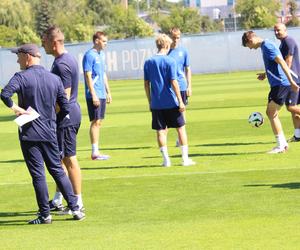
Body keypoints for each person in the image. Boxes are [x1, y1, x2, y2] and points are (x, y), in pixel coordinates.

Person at [0, 44, 85, 224]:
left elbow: (5, 94)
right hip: (49, 132)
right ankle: (76, 209)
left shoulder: (21, 77)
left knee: (38, 174)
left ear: (28, 56)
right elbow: (66, 105)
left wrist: (17, 109)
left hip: (29, 134)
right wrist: (54, 120)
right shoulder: (54, 79)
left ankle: (45, 215)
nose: (17, 60)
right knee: (57, 171)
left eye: (19, 56)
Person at [42, 26, 84, 213]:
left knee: (69, 159)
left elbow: (63, 98)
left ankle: (77, 201)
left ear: (54, 42)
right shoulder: (65, 59)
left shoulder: (61, 64)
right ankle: (59, 198)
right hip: (68, 115)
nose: (42, 45)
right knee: (60, 160)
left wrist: (45, 113)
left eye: (44, 41)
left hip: (66, 117)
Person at [242, 31, 300, 153]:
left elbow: (282, 62)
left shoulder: (267, 46)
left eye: (249, 47)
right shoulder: (266, 45)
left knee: (271, 112)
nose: (251, 49)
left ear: (250, 41)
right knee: (271, 113)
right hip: (277, 84)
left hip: (280, 84)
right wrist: (266, 74)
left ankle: (281, 146)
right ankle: (282, 144)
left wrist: (291, 81)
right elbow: (273, 64)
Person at [143, 34, 195, 167]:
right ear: (166, 45)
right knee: (181, 129)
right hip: (171, 102)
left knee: (160, 131)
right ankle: (185, 159)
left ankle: (166, 160)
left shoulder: (148, 62)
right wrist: (180, 100)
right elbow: (174, 81)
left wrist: (150, 101)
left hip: (157, 104)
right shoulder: (170, 61)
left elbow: (146, 84)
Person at [82, 31, 112, 160]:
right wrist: (93, 94)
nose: (106, 43)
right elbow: (87, 75)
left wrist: (108, 91)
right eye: (104, 41)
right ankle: (95, 152)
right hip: (94, 93)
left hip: (101, 93)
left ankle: (96, 151)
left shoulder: (102, 55)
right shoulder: (89, 55)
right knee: (96, 121)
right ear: (96, 41)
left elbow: (103, 74)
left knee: (99, 121)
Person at [274, 23, 300, 142]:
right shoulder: (284, 43)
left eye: (278, 30)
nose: (276, 32)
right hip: (293, 78)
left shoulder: (288, 41)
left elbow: (287, 62)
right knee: (293, 109)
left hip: (293, 79)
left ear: (285, 30)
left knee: (291, 107)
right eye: (275, 30)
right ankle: (298, 135)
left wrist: (285, 78)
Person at [168, 27, 192, 147]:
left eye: (178, 37)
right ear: (169, 37)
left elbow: (187, 69)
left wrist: (189, 86)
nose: (176, 40)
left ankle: (180, 139)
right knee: (169, 112)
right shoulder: (165, 52)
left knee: (182, 111)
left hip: (181, 85)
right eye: (173, 37)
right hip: (169, 87)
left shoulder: (184, 51)